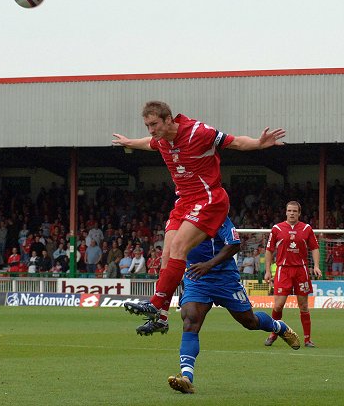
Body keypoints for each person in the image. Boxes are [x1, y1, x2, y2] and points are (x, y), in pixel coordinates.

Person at [113, 100, 285, 319]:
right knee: (165, 255)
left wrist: (258, 143)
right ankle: (162, 315)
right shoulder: (162, 140)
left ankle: (156, 304)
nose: (151, 130)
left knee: (178, 247)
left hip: (209, 198)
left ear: (169, 119)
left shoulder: (198, 132)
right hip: (184, 201)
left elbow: (236, 143)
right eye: (147, 125)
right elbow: (149, 143)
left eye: (154, 124)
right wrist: (130, 142)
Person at [136, 217, 300, 394]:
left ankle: (278, 326)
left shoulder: (217, 218)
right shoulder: (177, 221)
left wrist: (209, 264)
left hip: (225, 278)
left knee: (249, 321)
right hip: (196, 277)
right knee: (190, 320)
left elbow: (235, 244)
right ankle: (186, 378)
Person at [264, 201, 322, 348]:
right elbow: (269, 250)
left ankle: (307, 339)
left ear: (299, 213)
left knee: (303, 306)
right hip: (283, 270)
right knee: (278, 305)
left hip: (301, 270)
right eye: (289, 210)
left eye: (295, 211)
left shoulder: (307, 228)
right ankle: (273, 334)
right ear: (286, 212)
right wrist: (266, 271)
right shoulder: (277, 229)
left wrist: (316, 265)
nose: (292, 213)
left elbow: (315, 248)